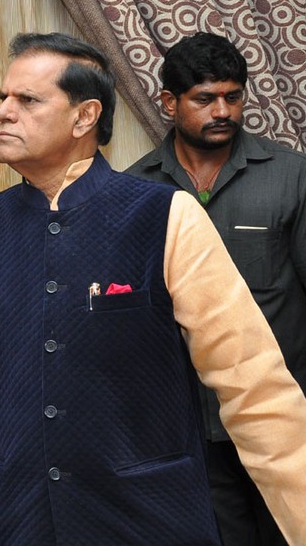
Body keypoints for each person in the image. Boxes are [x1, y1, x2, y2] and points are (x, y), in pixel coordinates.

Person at [0, 32, 306, 545]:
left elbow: (254, 386)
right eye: (3, 98)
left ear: (85, 117)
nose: (3, 112)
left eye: (27, 100)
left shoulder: (166, 216)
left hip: (148, 521)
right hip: (15, 521)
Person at [127, 31, 306, 545]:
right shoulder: (136, 190)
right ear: (170, 103)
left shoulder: (291, 177)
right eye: (205, 99)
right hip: (187, 427)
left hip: (279, 418)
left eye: (233, 96)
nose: (223, 111)